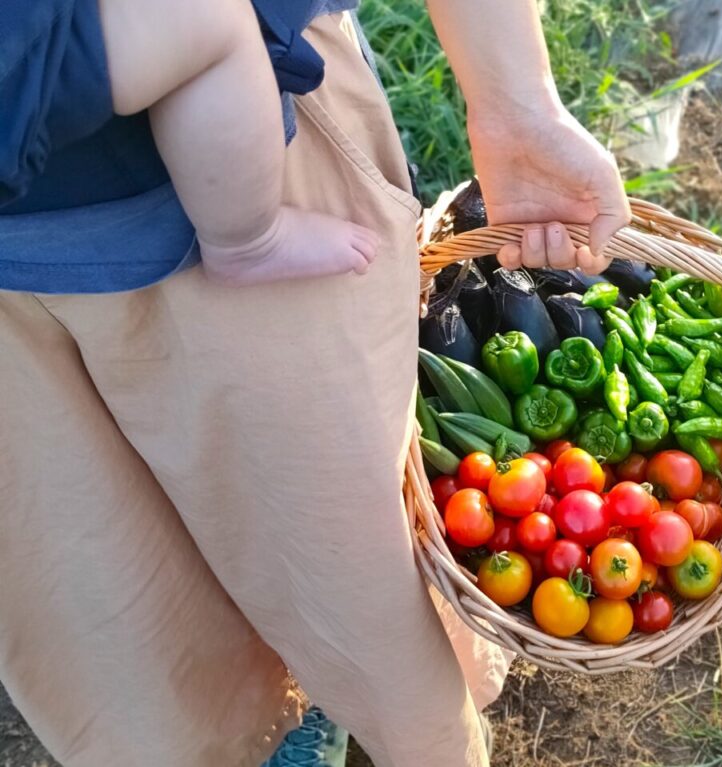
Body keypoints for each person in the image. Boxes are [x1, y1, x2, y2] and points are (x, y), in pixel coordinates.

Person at [0, 2, 630, 767]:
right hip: (150, 158)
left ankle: (377, 722)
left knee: (352, 566)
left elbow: (197, 22)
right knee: (105, 608)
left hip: (257, 154)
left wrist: (514, 96)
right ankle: (272, 735)